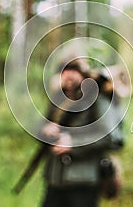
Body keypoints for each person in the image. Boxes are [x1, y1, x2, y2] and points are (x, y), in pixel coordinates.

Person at [39, 58, 124, 207]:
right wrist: (45, 130)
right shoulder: (59, 97)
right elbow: (42, 126)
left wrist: (74, 144)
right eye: (64, 70)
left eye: (74, 69)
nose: (68, 74)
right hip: (55, 180)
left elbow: (110, 136)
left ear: (83, 73)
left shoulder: (97, 95)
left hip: (83, 183)